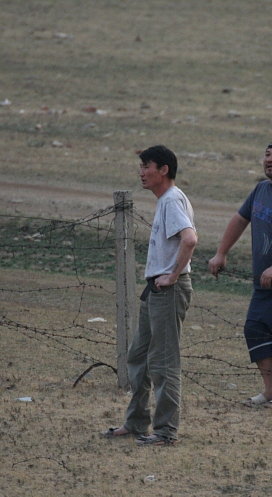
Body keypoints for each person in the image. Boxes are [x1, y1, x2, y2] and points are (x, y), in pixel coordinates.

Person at [208, 139, 272, 410]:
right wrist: (221, 253)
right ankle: (270, 390)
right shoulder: (261, 189)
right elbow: (240, 219)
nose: (269, 159)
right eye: (267, 154)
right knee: (255, 329)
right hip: (263, 281)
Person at [102, 145, 197, 445]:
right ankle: (136, 423)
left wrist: (172, 275)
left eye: (147, 166)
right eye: (141, 167)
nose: (141, 173)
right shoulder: (166, 200)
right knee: (139, 356)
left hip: (168, 290)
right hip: (155, 289)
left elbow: (190, 239)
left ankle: (166, 431)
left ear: (163, 170)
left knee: (163, 361)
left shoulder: (171, 200)